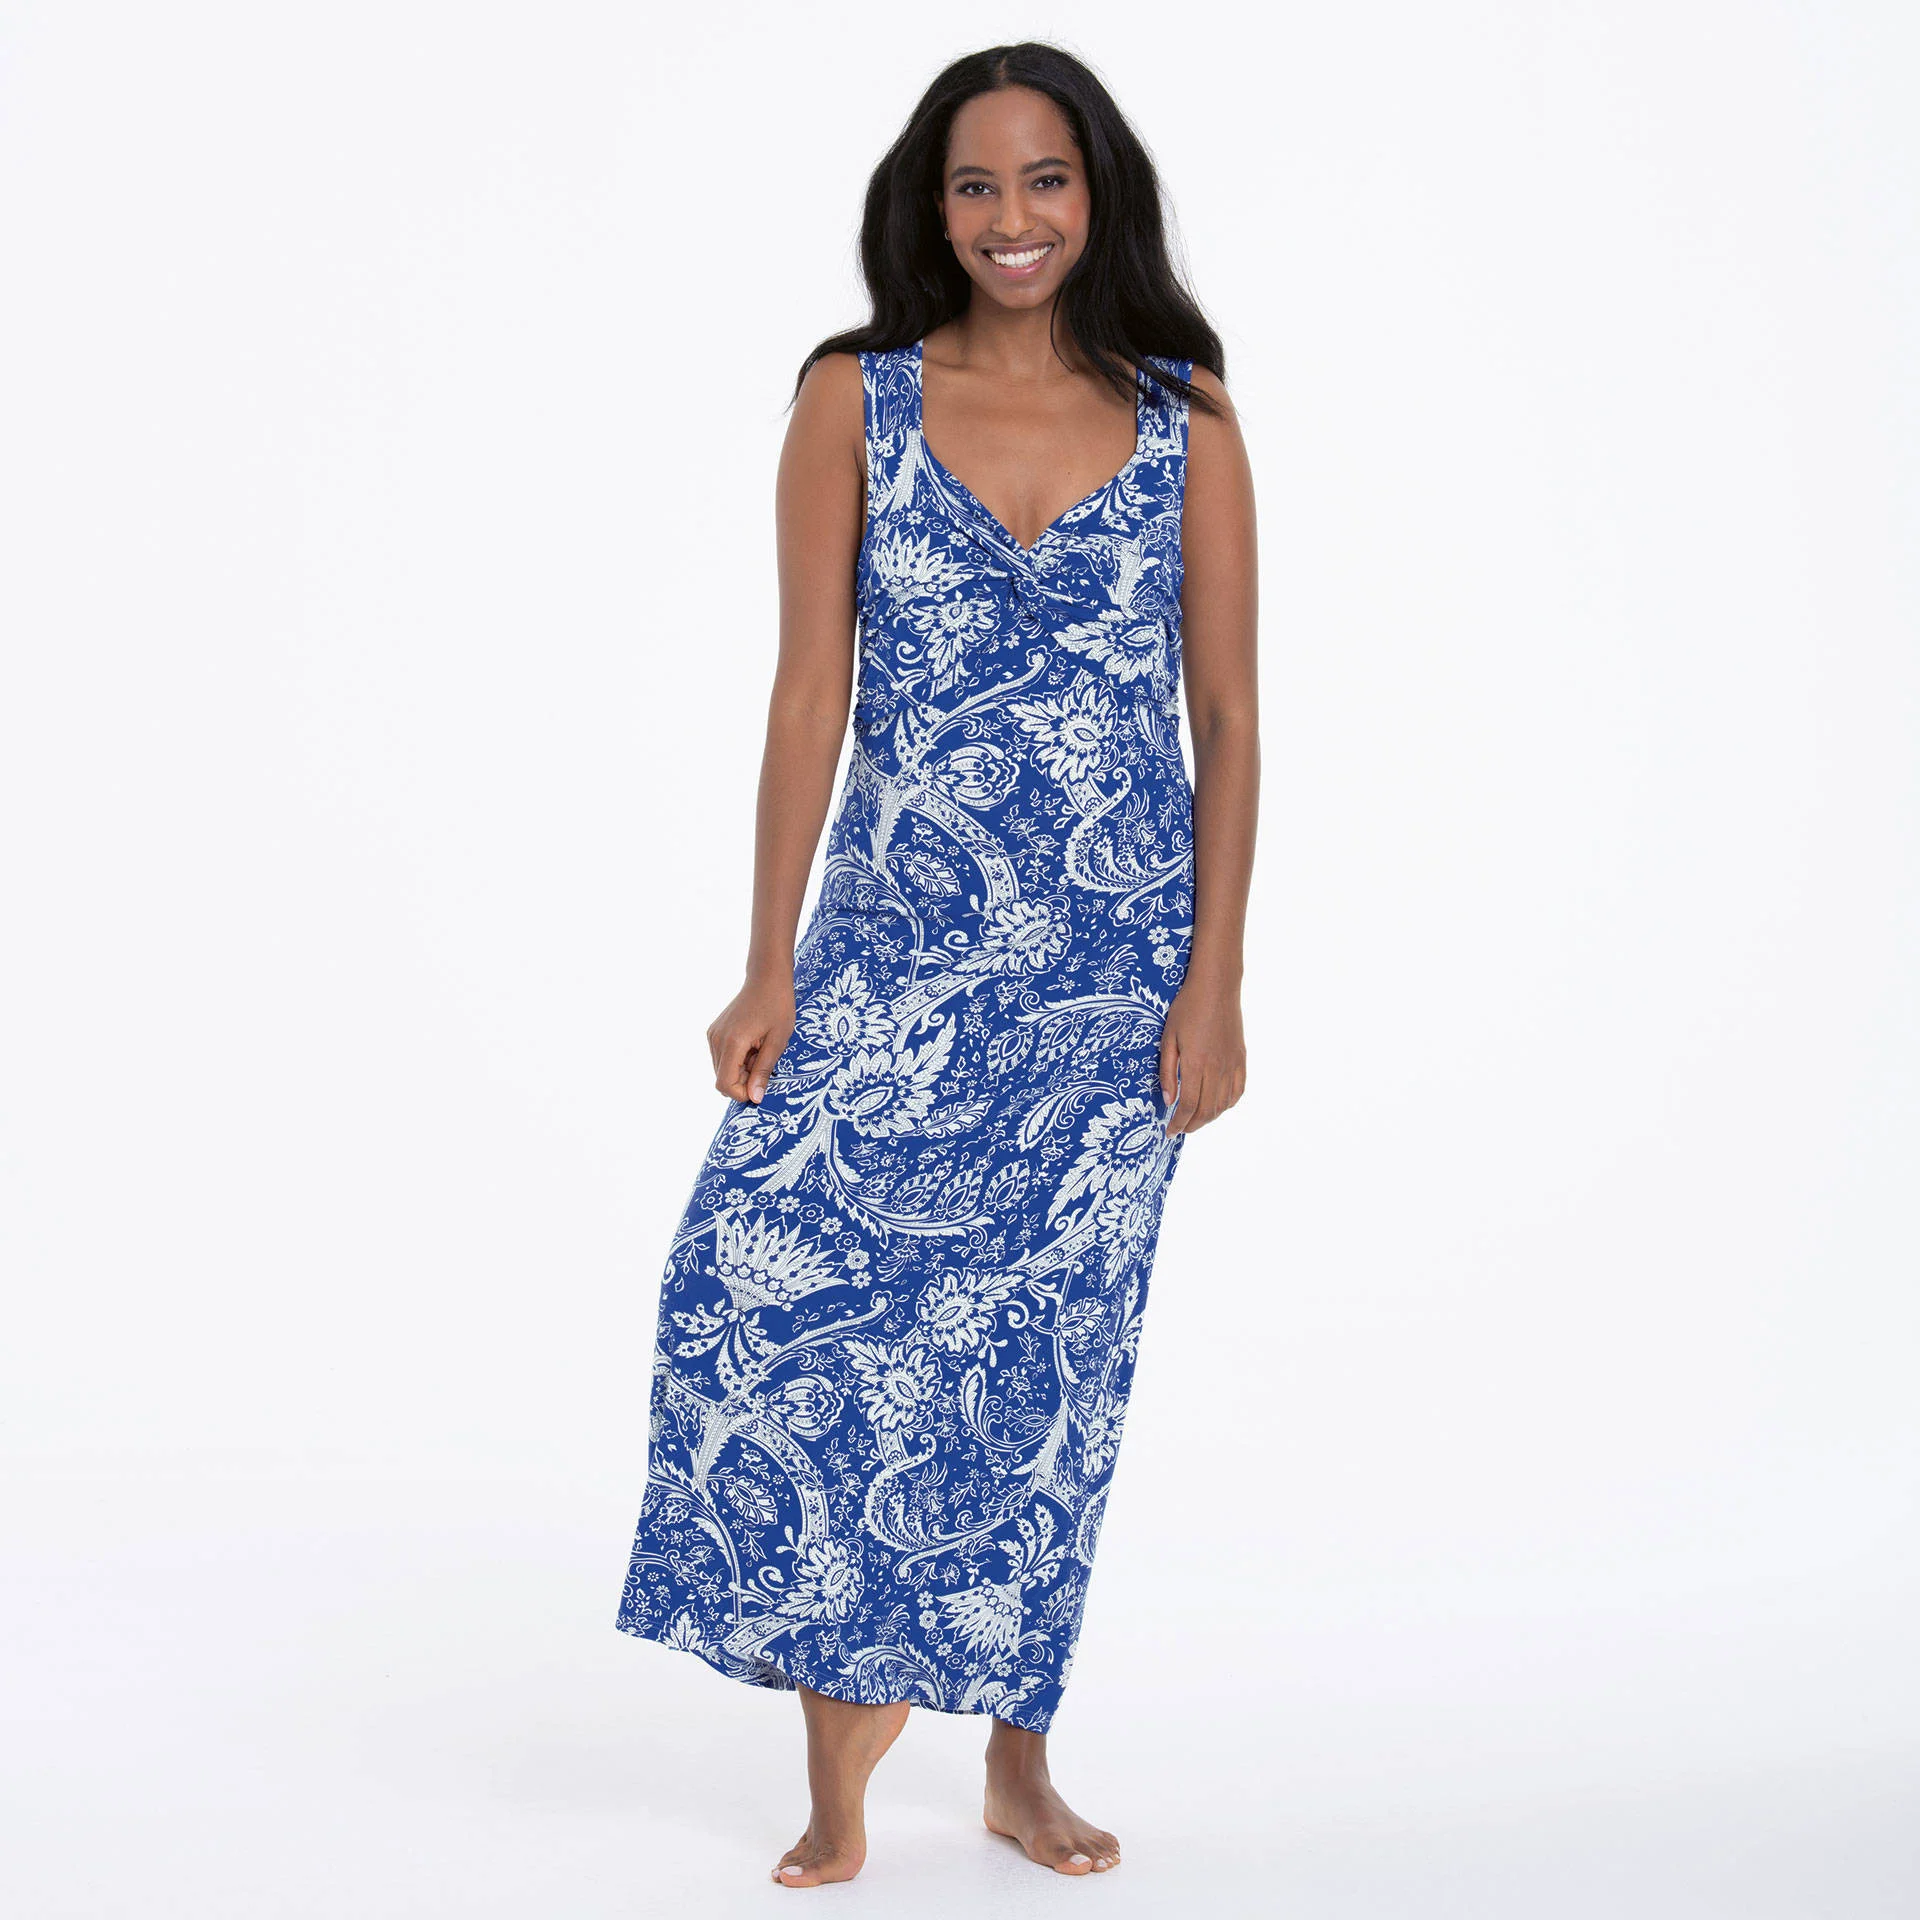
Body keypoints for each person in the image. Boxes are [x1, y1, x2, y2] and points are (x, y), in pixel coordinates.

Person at [615, 40, 1259, 1888]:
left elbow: (1227, 715)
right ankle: (839, 1776)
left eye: (1045, 179)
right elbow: (805, 693)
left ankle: (1016, 1766)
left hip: (1110, 982)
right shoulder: (856, 398)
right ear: (934, 206)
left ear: (1097, 195)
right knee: (774, 1307)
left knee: (1040, 1369)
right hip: (892, 963)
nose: (1012, 217)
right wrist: (767, 964)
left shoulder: (1189, 415)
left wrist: (1214, 981)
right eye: (977, 185)